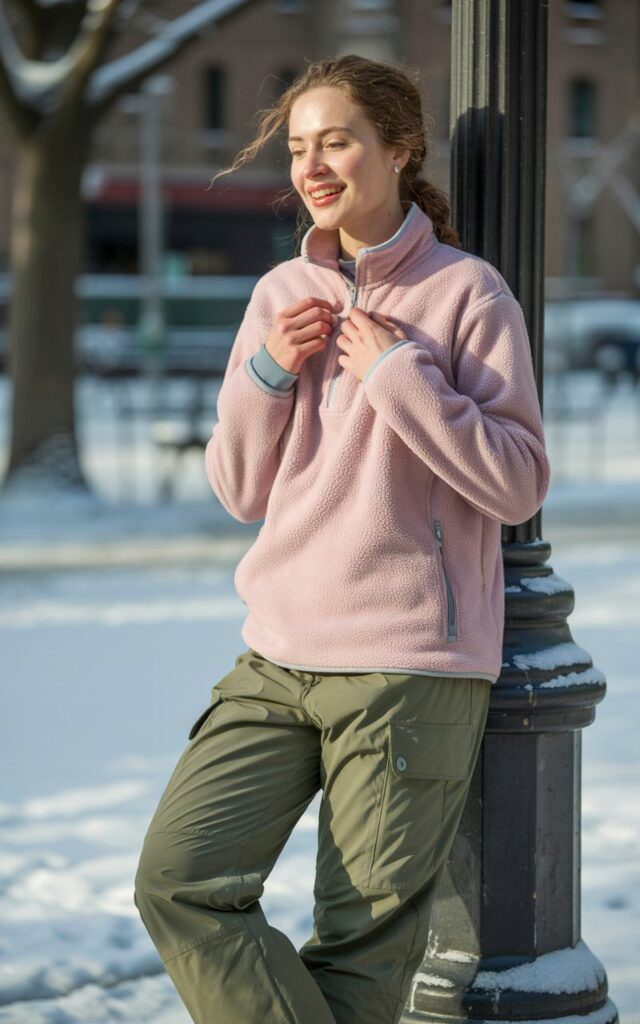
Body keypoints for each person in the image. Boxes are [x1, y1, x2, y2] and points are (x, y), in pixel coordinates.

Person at [134, 54, 550, 1024]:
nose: (313, 164)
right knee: (177, 881)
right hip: (277, 653)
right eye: (298, 147)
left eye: (337, 140)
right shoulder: (279, 293)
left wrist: (403, 376)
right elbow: (237, 486)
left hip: (408, 666)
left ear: (398, 149)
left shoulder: (466, 295)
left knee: (358, 955)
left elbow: (518, 478)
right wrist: (269, 370)